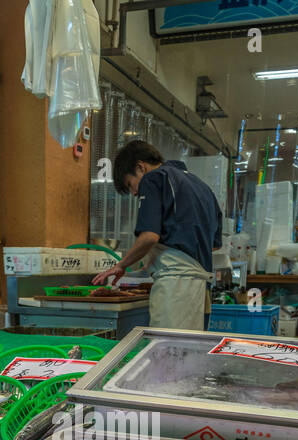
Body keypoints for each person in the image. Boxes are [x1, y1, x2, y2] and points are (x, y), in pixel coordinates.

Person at [92, 140, 222, 330]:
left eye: (131, 184)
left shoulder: (154, 178)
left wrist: (121, 265)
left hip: (175, 287)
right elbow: (214, 244)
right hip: (201, 287)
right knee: (189, 352)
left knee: (167, 351)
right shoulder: (203, 187)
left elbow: (149, 237)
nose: (135, 192)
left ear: (140, 167)